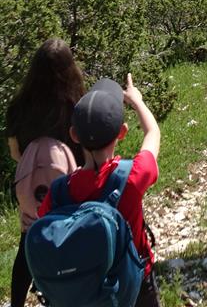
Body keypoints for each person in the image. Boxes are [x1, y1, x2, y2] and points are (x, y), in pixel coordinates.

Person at [38, 75, 161, 307]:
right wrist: (137, 101)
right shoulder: (132, 177)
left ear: (74, 135)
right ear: (122, 133)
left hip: (85, 292)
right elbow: (152, 133)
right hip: (134, 285)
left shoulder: (58, 192)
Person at [6, 38, 85, 307]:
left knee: (26, 244)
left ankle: (16, 302)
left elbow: (15, 153)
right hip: (67, 187)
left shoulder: (18, 107)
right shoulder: (76, 105)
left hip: (31, 191)